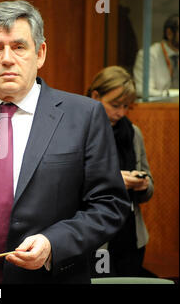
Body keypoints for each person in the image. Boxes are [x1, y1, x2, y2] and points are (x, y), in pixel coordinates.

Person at [0, 0, 130, 284]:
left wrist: (53, 244)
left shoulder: (84, 116)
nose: (7, 59)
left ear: (40, 53)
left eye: (20, 47)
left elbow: (109, 204)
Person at [86, 66, 154, 277]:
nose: (121, 113)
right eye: (115, 105)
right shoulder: (80, 129)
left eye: (126, 106)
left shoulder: (132, 133)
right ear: (96, 96)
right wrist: (114, 180)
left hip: (131, 234)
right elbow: (68, 185)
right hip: (96, 236)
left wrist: (143, 184)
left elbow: (149, 185)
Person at [133, 14, 179, 97]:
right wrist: (170, 95)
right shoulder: (148, 54)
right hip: (157, 107)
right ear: (169, 33)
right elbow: (142, 90)